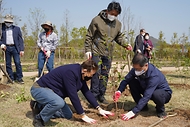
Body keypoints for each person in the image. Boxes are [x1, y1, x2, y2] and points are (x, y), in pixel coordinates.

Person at [30, 60, 114, 126]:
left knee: (68, 115)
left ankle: (38, 106)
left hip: (52, 93)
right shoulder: (71, 73)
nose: (91, 77)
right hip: (40, 89)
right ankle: (39, 119)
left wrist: (99, 108)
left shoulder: (81, 75)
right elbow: (73, 95)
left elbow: (87, 92)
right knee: (58, 103)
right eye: (91, 74)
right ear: (85, 70)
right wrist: (82, 115)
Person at [84, 1, 132, 104]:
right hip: (96, 51)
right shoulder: (96, 20)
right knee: (96, 73)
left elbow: (118, 37)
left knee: (105, 74)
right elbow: (89, 36)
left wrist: (125, 44)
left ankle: (101, 95)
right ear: (107, 11)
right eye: (112, 14)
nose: (113, 16)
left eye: (116, 15)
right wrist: (88, 50)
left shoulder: (118, 24)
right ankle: (94, 96)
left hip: (108, 53)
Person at [113, 53, 172, 121]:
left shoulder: (154, 76)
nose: (136, 71)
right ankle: (143, 107)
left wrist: (133, 112)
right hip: (147, 88)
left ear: (146, 65)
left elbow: (147, 95)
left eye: (138, 69)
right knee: (132, 82)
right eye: (134, 68)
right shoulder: (136, 69)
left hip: (163, 94)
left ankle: (160, 110)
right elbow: (126, 79)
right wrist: (119, 91)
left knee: (156, 94)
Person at [0, 14, 24, 84]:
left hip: (15, 48)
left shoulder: (17, 29)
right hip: (6, 48)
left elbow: (20, 40)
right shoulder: (2, 29)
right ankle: (10, 78)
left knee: (17, 62)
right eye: (7, 22)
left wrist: (21, 49)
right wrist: (1, 44)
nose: (8, 24)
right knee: (8, 64)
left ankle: (19, 78)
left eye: (10, 22)